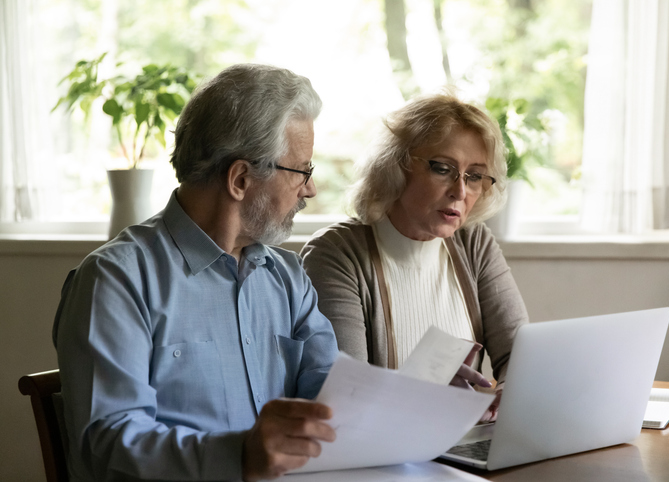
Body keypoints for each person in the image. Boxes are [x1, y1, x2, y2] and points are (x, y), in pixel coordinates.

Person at [53, 64, 339, 482]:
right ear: (240, 178)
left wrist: (420, 398)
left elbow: (333, 396)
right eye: (302, 171)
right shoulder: (115, 280)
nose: (310, 189)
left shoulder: (287, 277)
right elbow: (108, 444)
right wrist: (238, 456)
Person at [300, 92, 529, 420]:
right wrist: (425, 389)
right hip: (380, 456)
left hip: (458, 441)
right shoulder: (336, 253)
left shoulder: (473, 242)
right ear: (396, 166)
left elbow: (520, 355)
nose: (460, 191)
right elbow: (346, 394)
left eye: (474, 176)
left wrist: (513, 387)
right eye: (442, 168)